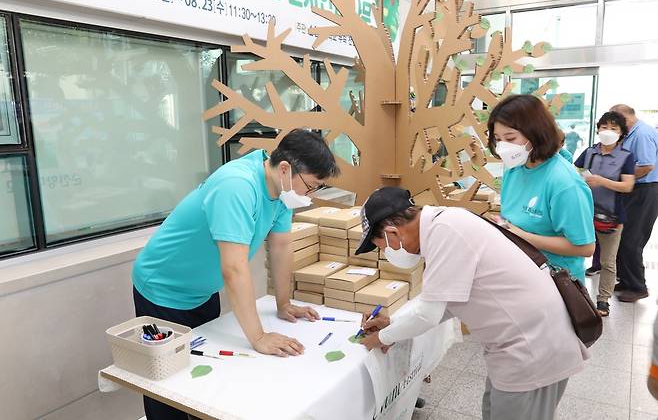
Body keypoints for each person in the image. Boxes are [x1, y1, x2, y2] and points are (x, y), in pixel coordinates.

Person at [132, 129, 339, 419]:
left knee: (202, 374)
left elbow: (280, 246)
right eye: (312, 186)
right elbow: (233, 269)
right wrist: (258, 337)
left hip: (201, 291)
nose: (311, 194)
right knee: (168, 386)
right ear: (284, 168)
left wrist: (284, 304)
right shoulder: (237, 186)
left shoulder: (281, 191)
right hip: (163, 289)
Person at [354, 187, 589, 420]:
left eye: (383, 248)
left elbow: (428, 314)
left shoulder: (444, 232)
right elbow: (446, 301)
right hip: (521, 345)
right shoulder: (445, 223)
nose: (387, 253)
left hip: (533, 349)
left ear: (392, 234)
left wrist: (383, 337)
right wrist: (393, 324)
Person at [486, 94, 595, 283]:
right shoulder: (515, 169)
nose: (503, 146)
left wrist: (523, 236)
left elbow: (585, 247)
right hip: (520, 271)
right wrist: (501, 225)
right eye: (498, 139)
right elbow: (513, 218)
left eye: (510, 138)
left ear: (536, 133)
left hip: (557, 282)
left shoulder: (565, 183)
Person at [574, 111, 635, 316]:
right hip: (585, 213)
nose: (607, 131)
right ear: (598, 129)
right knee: (577, 253)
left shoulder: (626, 157)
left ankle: (603, 300)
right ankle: (576, 295)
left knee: (608, 261)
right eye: (604, 127)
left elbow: (628, 186)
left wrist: (600, 181)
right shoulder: (590, 152)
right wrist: (582, 177)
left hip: (611, 216)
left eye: (613, 128)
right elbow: (573, 171)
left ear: (621, 133)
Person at [609, 104, 658, 302]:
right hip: (633, 190)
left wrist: (621, 177)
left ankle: (638, 287)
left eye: (615, 123)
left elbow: (646, 166)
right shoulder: (630, 134)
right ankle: (627, 280)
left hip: (644, 191)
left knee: (632, 239)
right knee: (622, 236)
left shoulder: (642, 134)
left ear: (625, 118)